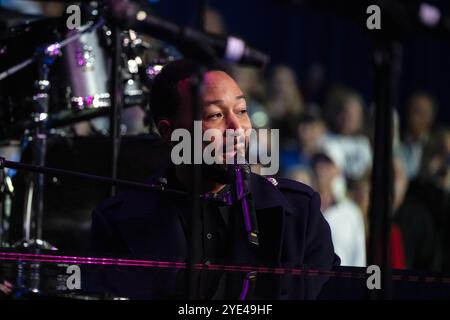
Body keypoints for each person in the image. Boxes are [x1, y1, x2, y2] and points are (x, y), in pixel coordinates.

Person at [90, 59, 339, 272]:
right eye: (215, 115)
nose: (237, 128)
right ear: (170, 132)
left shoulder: (299, 214)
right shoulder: (121, 222)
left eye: (242, 110)